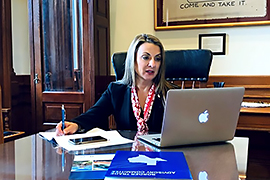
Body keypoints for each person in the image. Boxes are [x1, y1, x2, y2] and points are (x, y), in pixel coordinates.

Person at [56, 34, 177, 136]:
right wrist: (76, 124)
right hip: (127, 156)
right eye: (146, 57)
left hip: (162, 156)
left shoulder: (172, 93)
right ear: (133, 61)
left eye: (158, 59)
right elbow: (94, 115)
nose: (153, 64)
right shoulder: (116, 90)